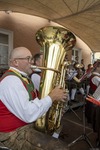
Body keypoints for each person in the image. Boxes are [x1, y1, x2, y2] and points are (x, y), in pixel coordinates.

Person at [0, 47, 68, 150]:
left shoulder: (23, 78)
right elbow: (28, 114)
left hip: (23, 126)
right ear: (16, 62)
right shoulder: (11, 81)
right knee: (60, 147)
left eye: (31, 58)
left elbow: (35, 102)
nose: (32, 62)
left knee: (57, 127)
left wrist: (56, 99)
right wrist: (52, 96)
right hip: (11, 134)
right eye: (28, 58)